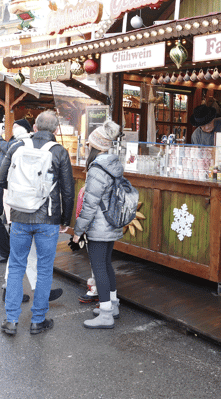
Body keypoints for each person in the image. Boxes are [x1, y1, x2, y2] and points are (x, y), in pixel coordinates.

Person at [0, 111, 74, 336]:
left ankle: (11, 320)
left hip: (20, 216)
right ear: (56, 130)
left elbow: (1, 179)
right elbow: (68, 191)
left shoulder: (17, 146)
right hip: (48, 219)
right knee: (44, 268)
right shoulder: (59, 151)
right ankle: (38, 320)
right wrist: (65, 221)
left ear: (36, 127)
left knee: (16, 266)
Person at [73, 120, 125, 329]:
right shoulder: (114, 165)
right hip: (111, 223)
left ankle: (105, 314)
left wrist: (78, 231)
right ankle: (112, 305)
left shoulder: (96, 169)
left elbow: (89, 205)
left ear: (95, 146)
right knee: (106, 265)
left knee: (99, 268)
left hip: (99, 226)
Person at [0, 119, 32, 264]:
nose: (14, 129)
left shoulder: (22, 142)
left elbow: (8, 149)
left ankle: (5, 251)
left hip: (2, 182)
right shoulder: (11, 141)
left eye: (17, 127)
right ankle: (5, 247)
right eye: (14, 126)